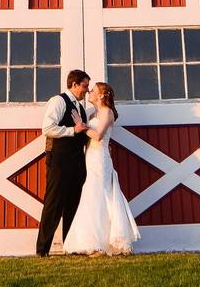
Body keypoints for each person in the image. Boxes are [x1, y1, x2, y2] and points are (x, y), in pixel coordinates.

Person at [62, 81, 140, 255]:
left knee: (99, 194)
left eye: (93, 90)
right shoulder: (94, 114)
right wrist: (83, 125)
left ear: (101, 95)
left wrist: (81, 127)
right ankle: (91, 241)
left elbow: (97, 136)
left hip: (100, 159)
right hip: (90, 157)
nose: (89, 92)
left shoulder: (107, 112)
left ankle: (101, 243)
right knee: (91, 194)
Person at [35, 69, 91, 257]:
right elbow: (48, 128)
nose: (87, 90)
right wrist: (72, 130)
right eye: (84, 86)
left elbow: (81, 133)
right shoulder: (58, 101)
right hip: (59, 159)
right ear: (74, 84)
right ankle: (42, 250)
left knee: (73, 204)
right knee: (53, 204)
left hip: (77, 161)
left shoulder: (80, 108)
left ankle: (70, 246)